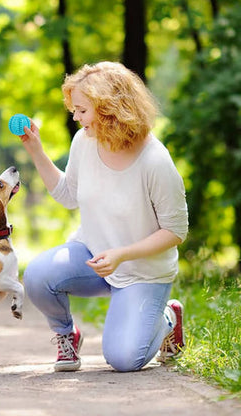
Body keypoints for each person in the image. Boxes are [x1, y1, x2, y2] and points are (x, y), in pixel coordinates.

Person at [19, 61, 189, 372]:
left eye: (82, 110)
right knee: (37, 276)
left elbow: (176, 231)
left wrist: (122, 255)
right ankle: (66, 336)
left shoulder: (155, 161)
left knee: (124, 359)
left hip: (142, 271)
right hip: (93, 255)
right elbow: (69, 195)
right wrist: (36, 151)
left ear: (109, 109)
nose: (75, 116)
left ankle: (168, 318)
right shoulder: (84, 141)